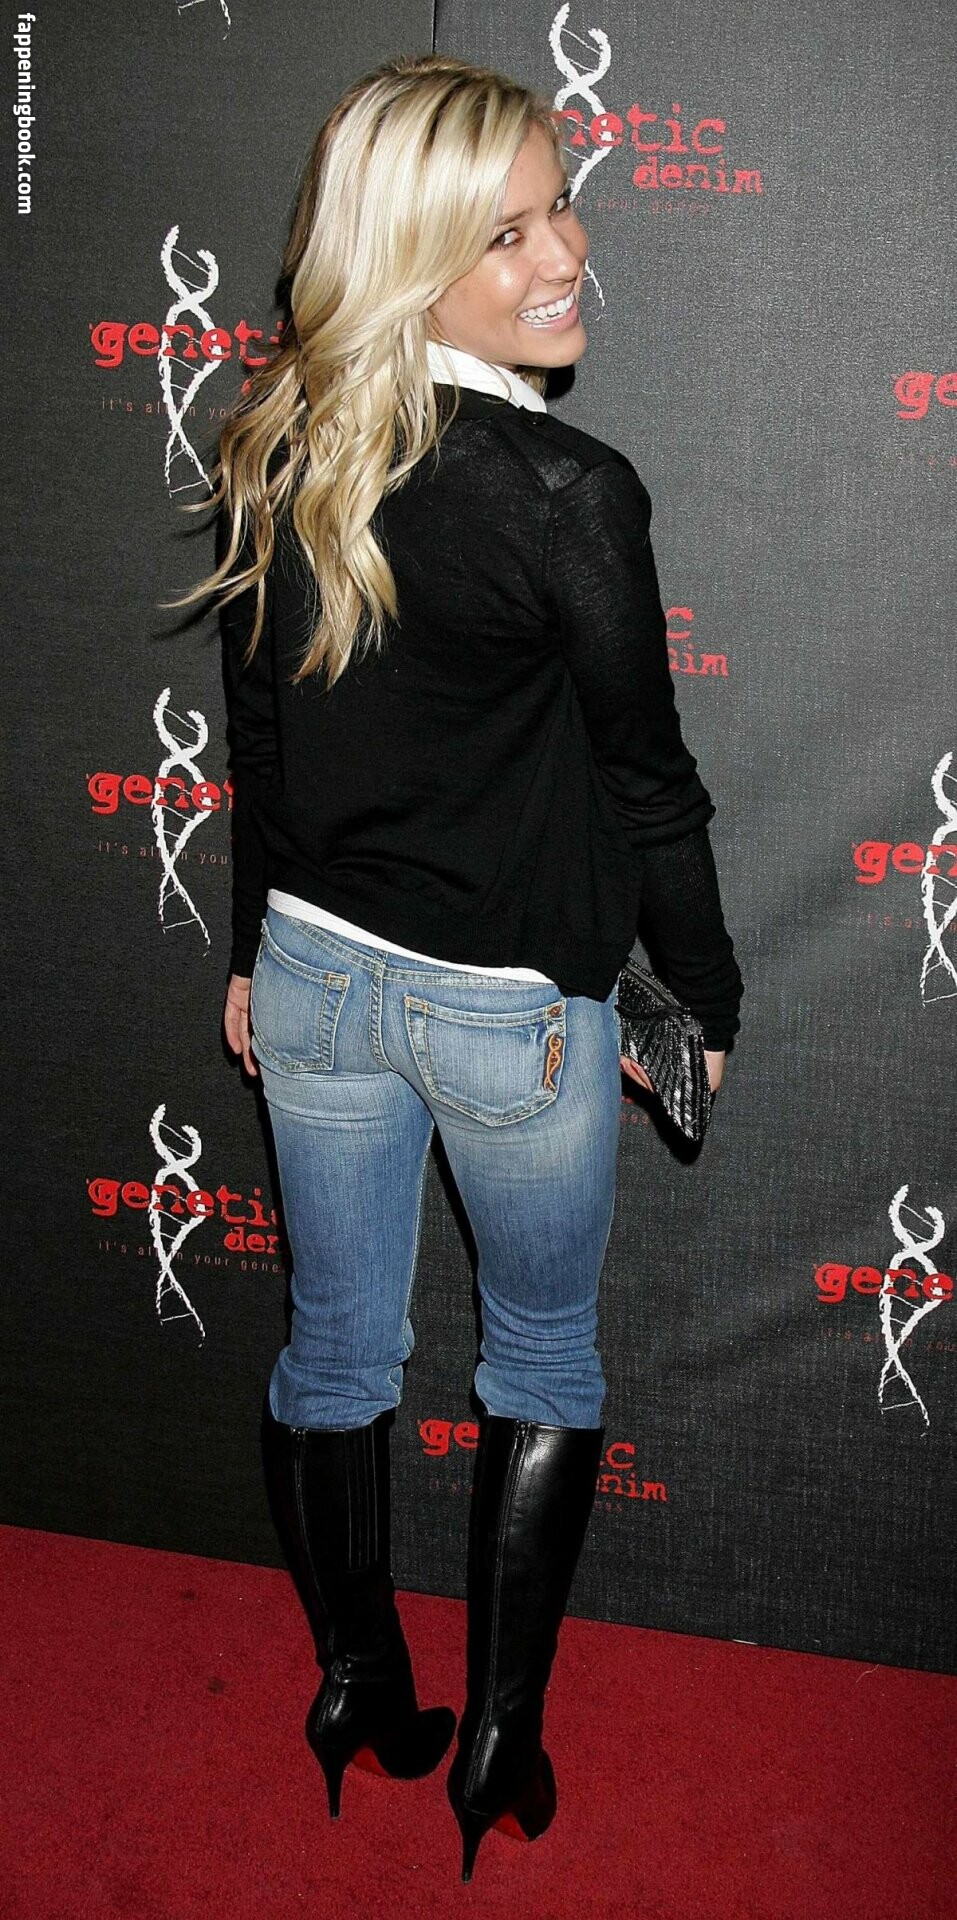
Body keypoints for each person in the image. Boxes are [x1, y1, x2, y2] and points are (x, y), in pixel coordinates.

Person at [175, 51, 743, 1884]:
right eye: (501, 232)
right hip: (509, 1018)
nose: (564, 252)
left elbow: (258, 738)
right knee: (542, 1360)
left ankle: (357, 1685)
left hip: (315, 983)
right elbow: (650, 786)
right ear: (410, 255)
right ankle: (498, 1736)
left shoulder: (280, 440)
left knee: (332, 1350)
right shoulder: (566, 490)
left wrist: (254, 952)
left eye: (558, 202)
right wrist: (704, 999)